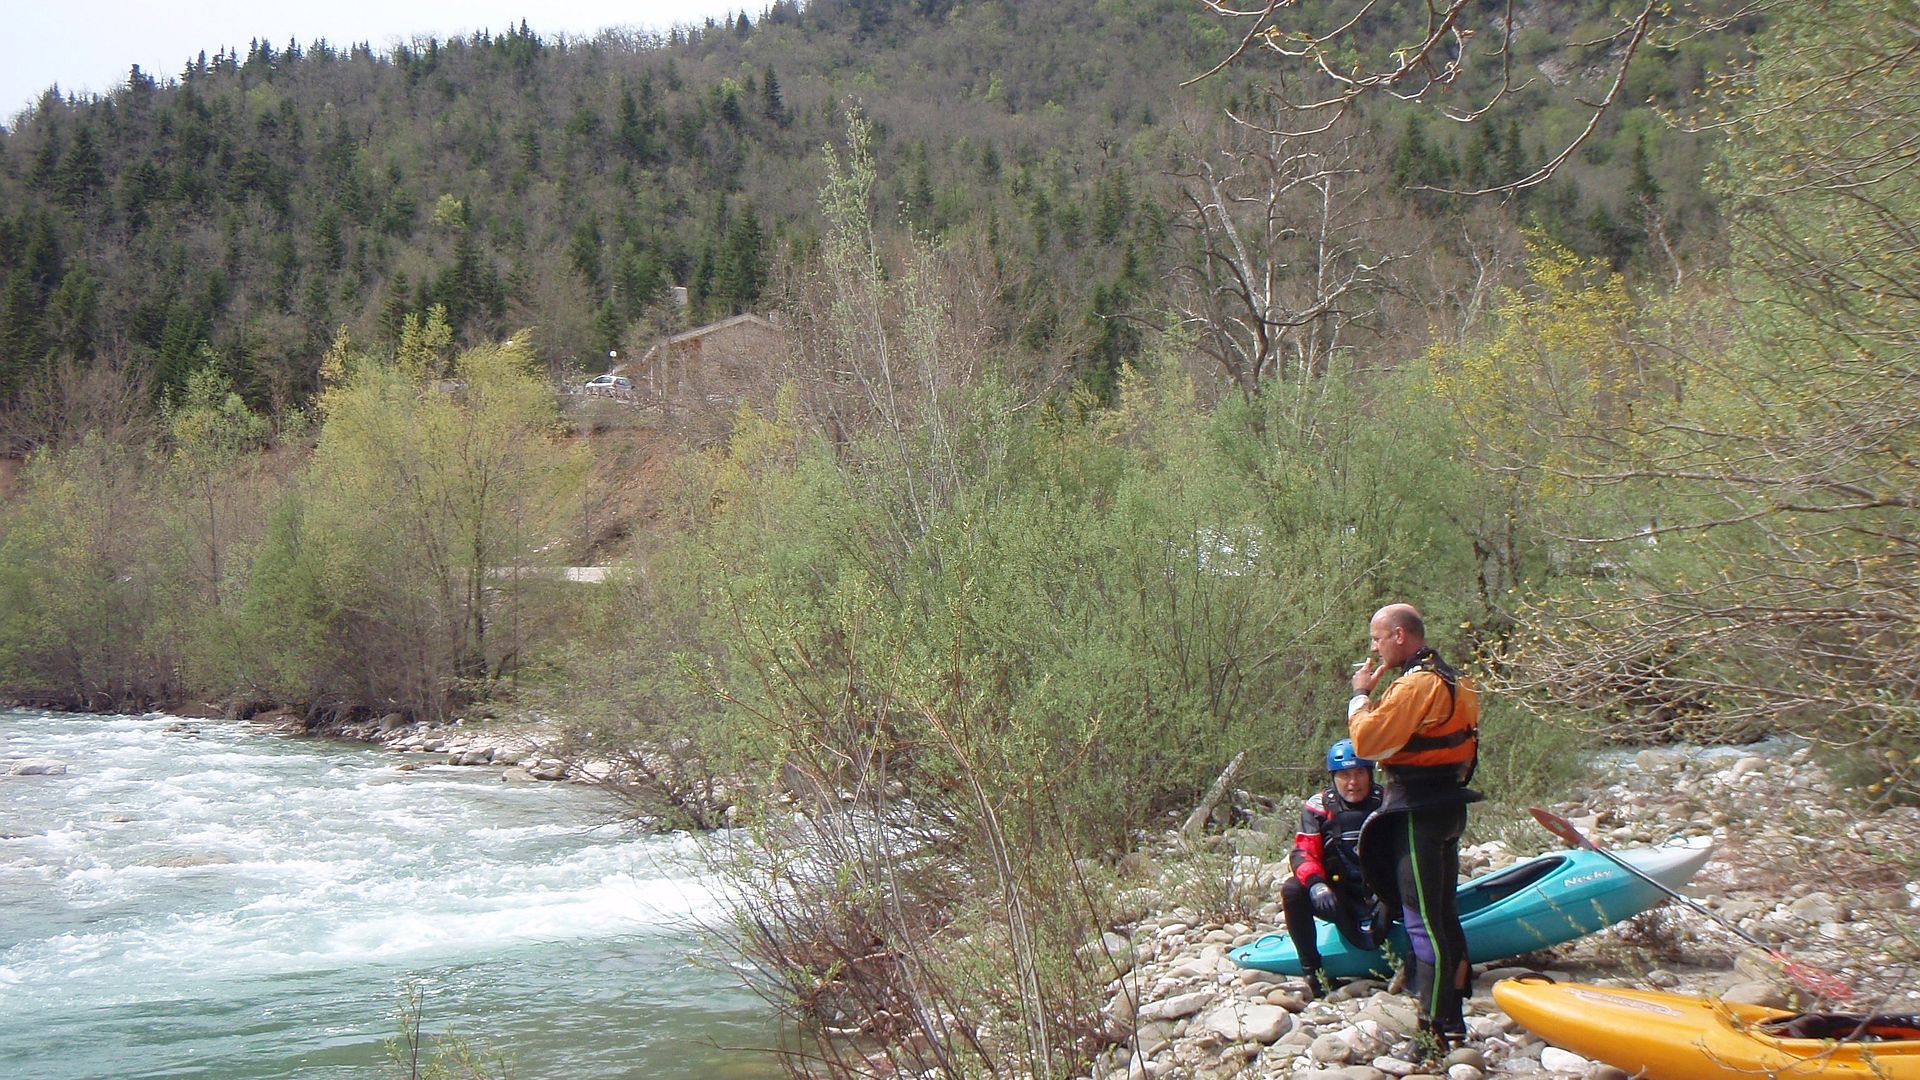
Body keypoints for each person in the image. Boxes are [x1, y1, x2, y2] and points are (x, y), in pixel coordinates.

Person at [1348, 603, 1481, 1053]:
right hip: (1447, 805)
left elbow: (1366, 742)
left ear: (1401, 636)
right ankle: (1454, 1019)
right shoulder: (1455, 679)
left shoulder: (1417, 684)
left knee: (1423, 922)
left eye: (1378, 638)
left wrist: (1360, 695)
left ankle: (1435, 1031)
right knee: (1443, 915)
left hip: (1417, 811)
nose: (1374, 646)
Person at [1281, 738, 1384, 1000]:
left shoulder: (1387, 801)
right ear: (1333, 778)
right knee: (1293, 890)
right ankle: (1313, 973)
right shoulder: (1318, 807)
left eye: (1359, 773)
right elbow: (1303, 852)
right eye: (1345, 775)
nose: (1353, 782)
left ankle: (1420, 959)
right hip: (1338, 896)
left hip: (1385, 896)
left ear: (1369, 773)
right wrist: (1315, 884)